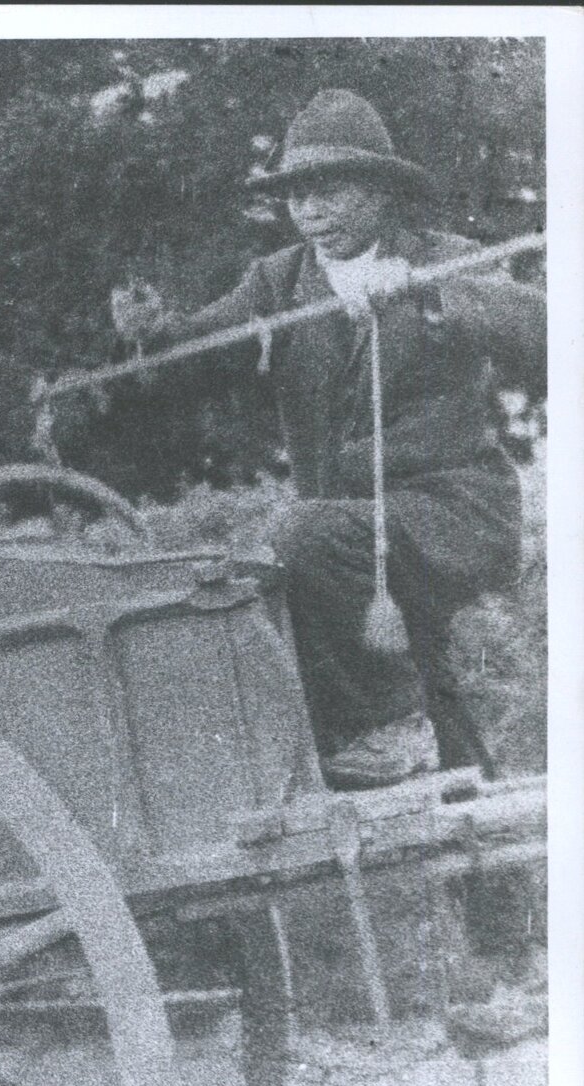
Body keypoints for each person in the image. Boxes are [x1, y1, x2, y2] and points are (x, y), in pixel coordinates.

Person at [109, 89, 543, 787]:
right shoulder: (277, 281)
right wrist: (151, 336)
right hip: (352, 539)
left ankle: (392, 729)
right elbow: (197, 359)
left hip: (448, 516)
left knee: (303, 537)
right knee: (423, 680)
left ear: (380, 191)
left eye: (328, 191)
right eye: (296, 195)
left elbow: (539, 328)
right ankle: (473, 815)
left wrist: (431, 294)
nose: (309, 210)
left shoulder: (445, 259)